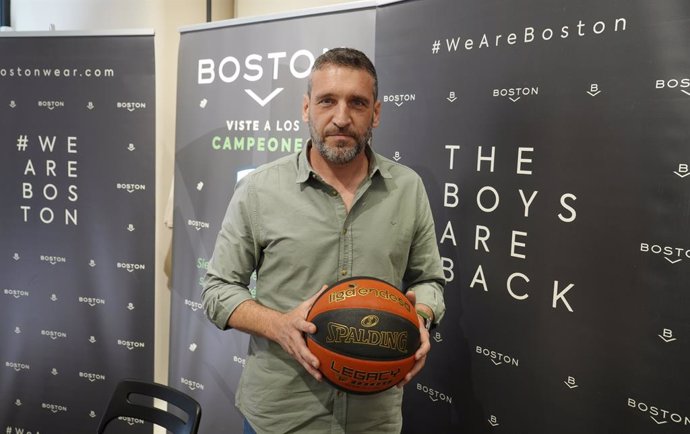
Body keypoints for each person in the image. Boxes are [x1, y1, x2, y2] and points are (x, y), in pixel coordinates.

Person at [202, 47, 446, 434]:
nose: (341, 117)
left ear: (376, 113)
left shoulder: (408, 189)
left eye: (358, 103)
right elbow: (217, 290)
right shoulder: (259, 190)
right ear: (306, 107)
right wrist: (279, 325)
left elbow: (429, 280)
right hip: (280, 418)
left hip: (373, 420)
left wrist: (419, 318)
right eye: (327, 101)